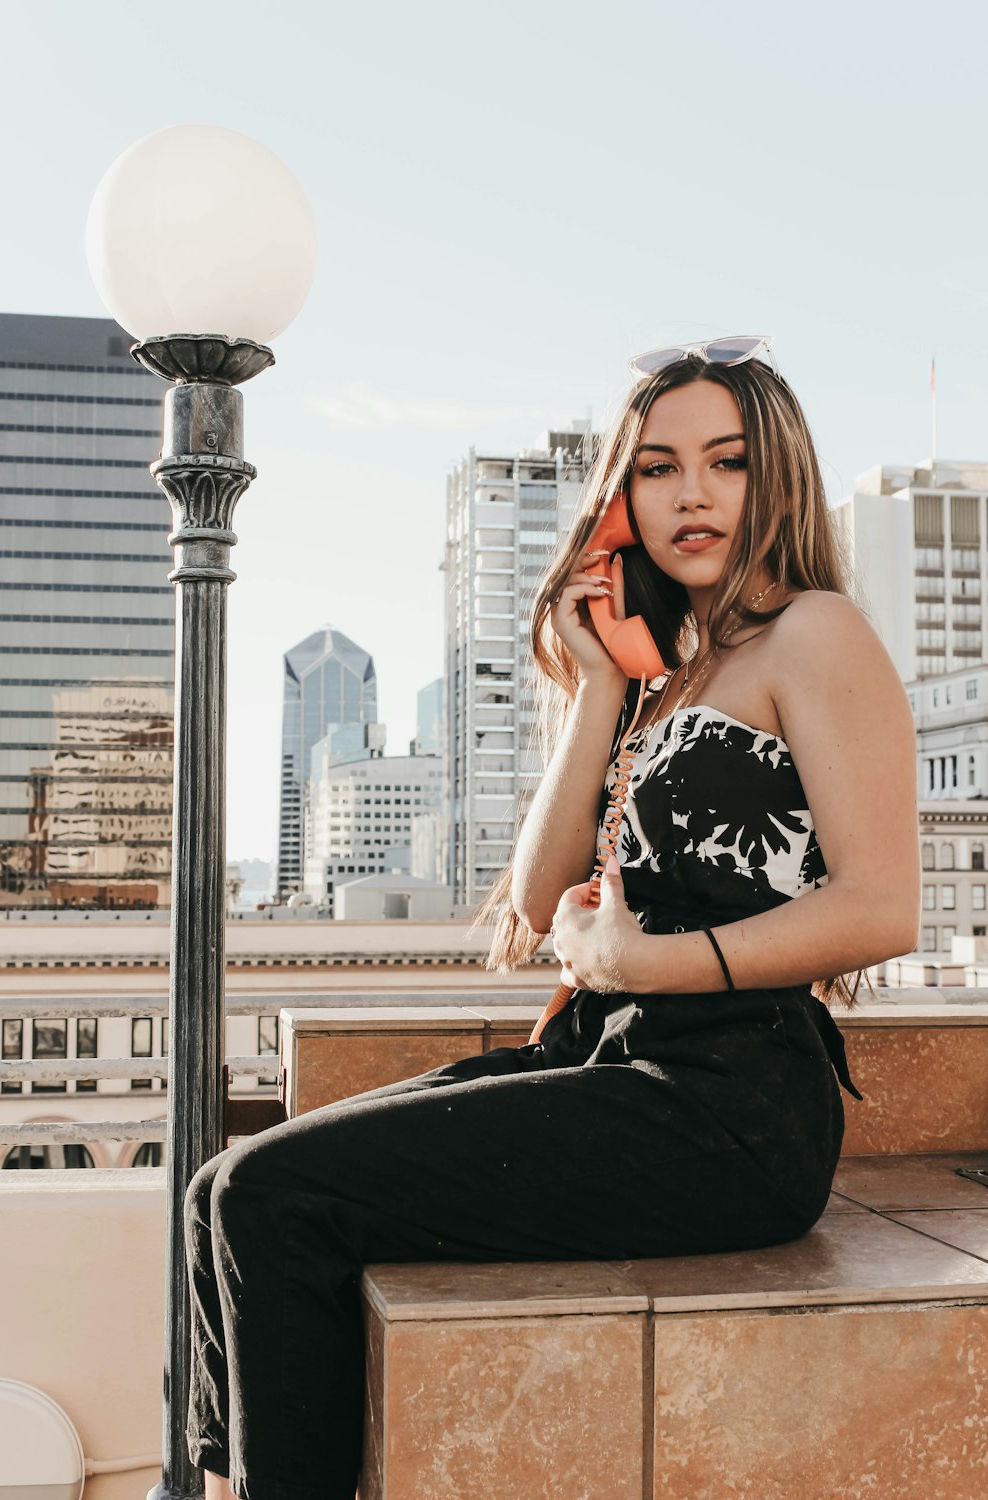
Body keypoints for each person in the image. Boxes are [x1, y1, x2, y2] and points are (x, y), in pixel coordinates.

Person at [184, 338, 920, 1500]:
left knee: (274, 1201)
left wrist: (646, 961)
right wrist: (594, 690)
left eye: (723, 463)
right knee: (221, 1185)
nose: (689, 495)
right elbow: (533, 904)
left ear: (770, 477)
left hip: (732, 1104)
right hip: (609, 1062)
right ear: (619, 501)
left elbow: (884, 907)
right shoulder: (666, 675)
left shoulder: (814, 635)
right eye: (655, 468)